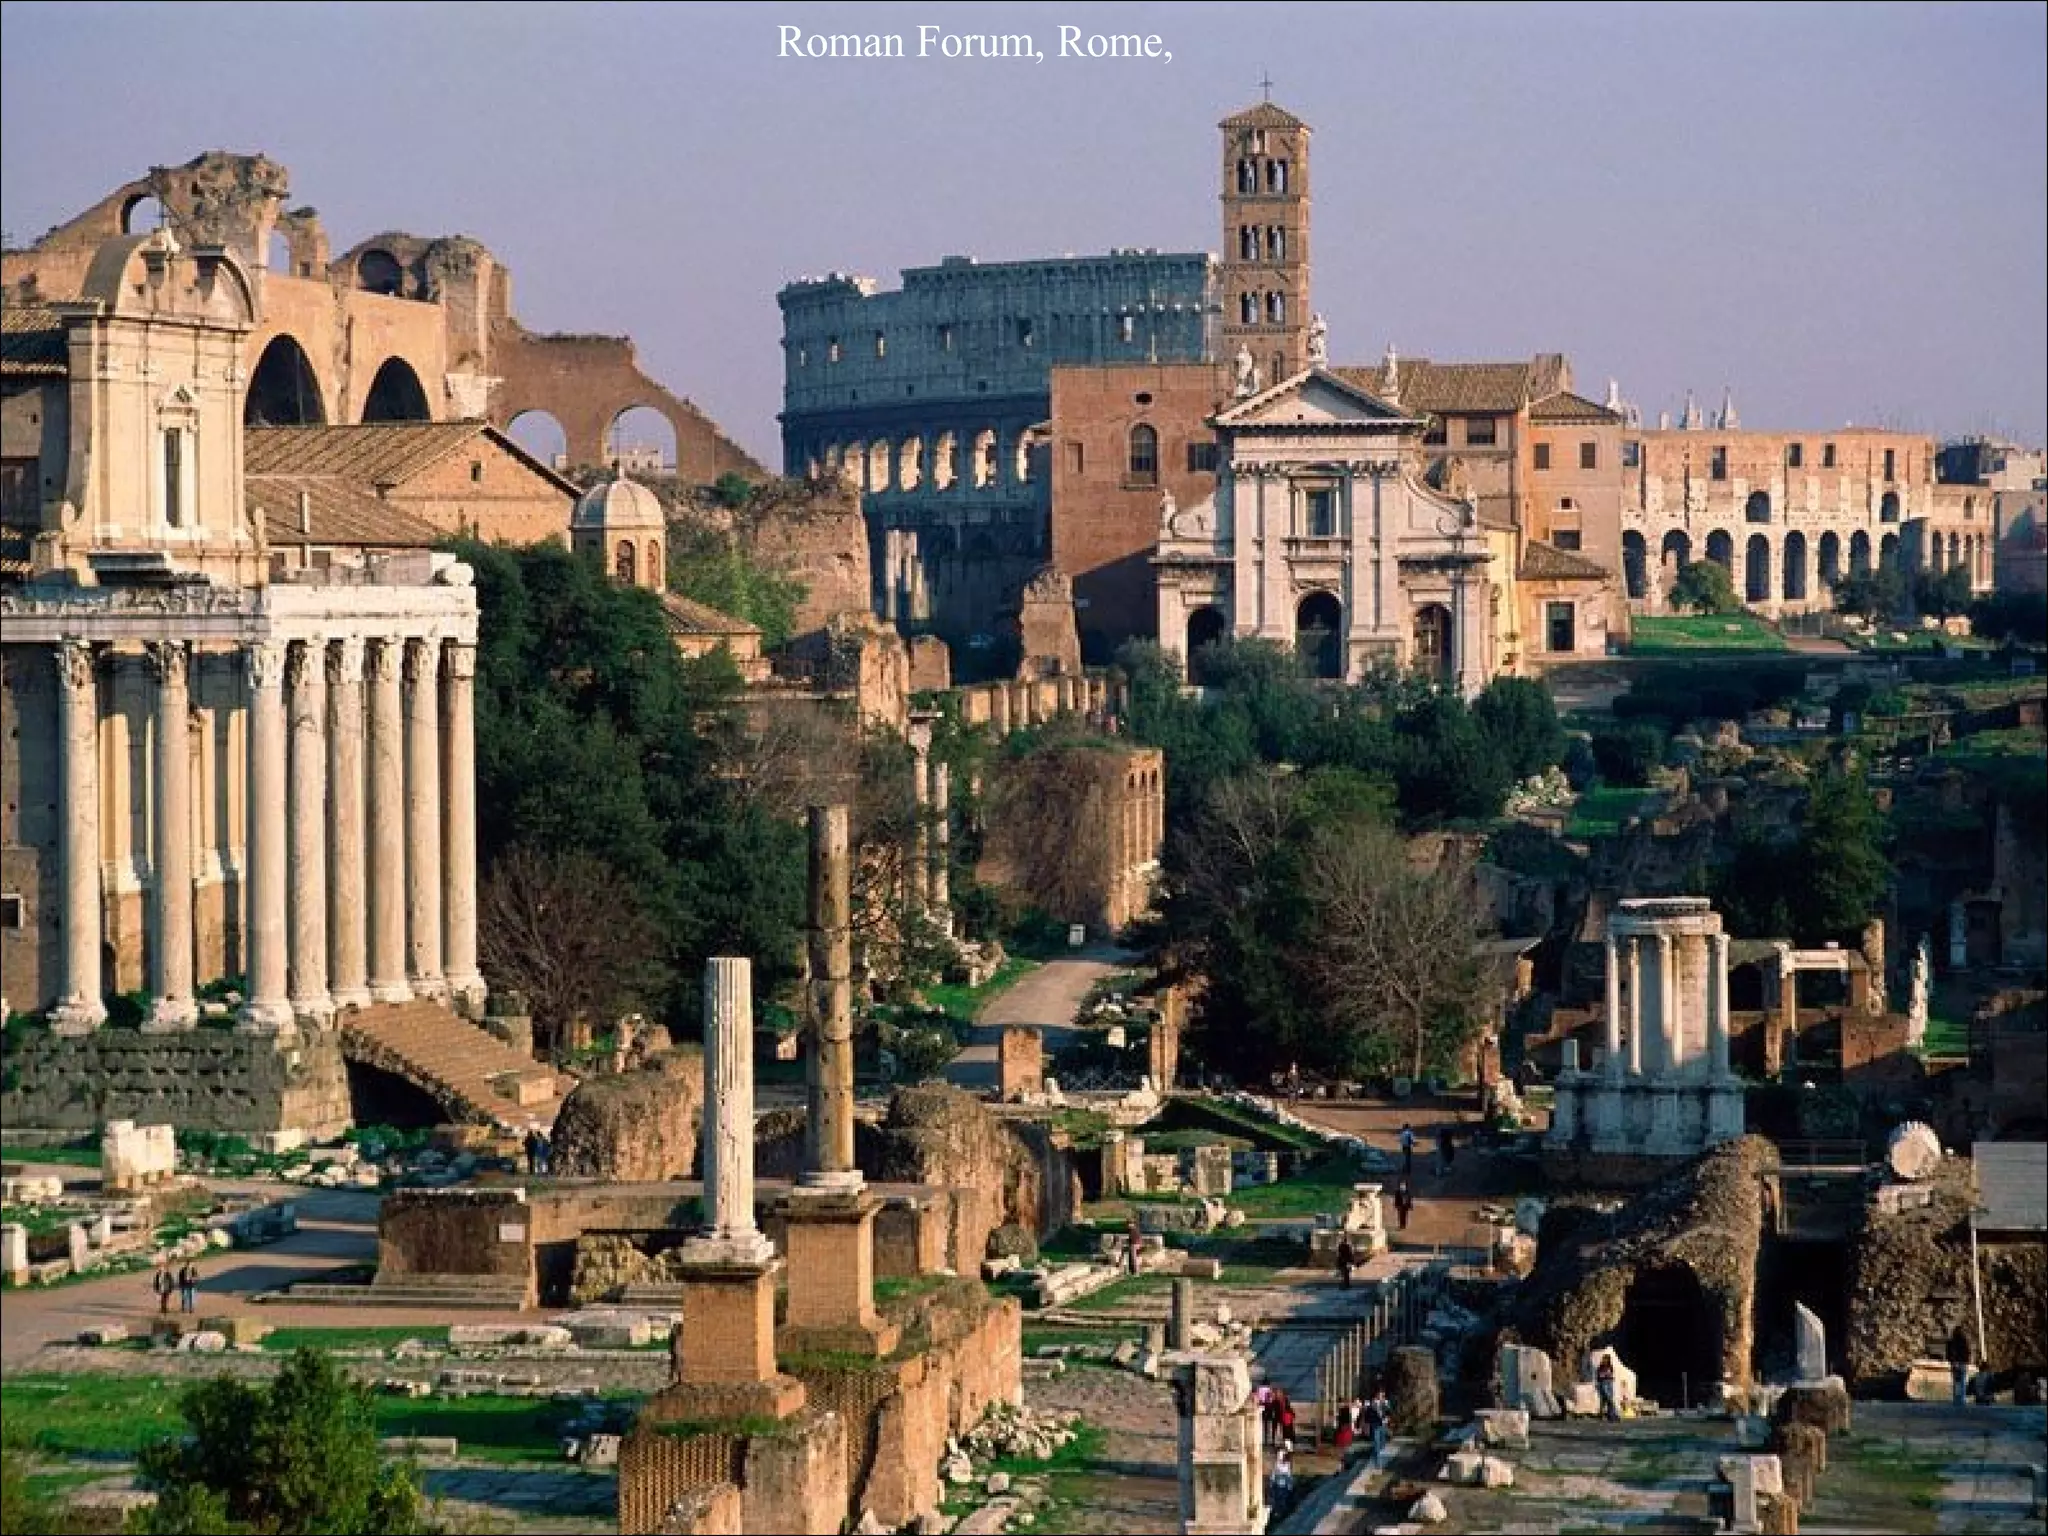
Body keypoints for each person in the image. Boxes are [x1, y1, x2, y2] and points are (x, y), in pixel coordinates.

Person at [1946, 1325, 1973, 1406]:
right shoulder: (1964, 1341)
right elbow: (1968, 1352)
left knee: (1956, 1382)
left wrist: (1952, 1362)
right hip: (1962, 1363)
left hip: (1955, 1364)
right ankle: (1962, 1398)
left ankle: (1956, 1398)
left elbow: (1948, 1354)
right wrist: (1967, 1361)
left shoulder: (1951, 1342)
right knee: (1962, 1382)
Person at [1596, 1351, 1621, 1421]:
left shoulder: (1610, 1366)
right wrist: (1605, 1375)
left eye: (1606, 1359)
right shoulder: (1600, 1367)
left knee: (1607, 1400)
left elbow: (1612, 1374)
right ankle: (1614, 1415)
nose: (1605, 1360)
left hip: (1609, 1383)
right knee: (1608, 1400)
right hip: (1603, 1383)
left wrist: (1609, 1375)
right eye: (1604, 1359)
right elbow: (1599, 1376)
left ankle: (1609, 1415)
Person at [1268, 1442, 1294, 1507]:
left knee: (1282, 1499)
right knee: (1279, 1498)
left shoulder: (1287, 1462)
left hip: (1283, 1484)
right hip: (1279, 1483)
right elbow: (1275, 1470)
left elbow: (1288, 1473)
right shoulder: (1280, 1458)